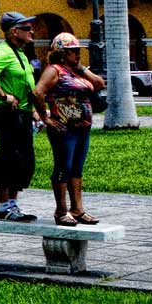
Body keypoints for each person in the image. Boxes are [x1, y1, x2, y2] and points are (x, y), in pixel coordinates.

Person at [35, 32, 106, 226]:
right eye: (73, 51)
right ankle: (61, 210)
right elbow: (37, 92)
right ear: (61, 53)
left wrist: (82, 68)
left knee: (77, 169)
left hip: (83, 128)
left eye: (77, 51)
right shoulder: (54, 70)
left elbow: (99, 84)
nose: (77, 54)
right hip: (63, 129)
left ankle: (78, 209)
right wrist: (45, 118)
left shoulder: (77, 70)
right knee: (63, 167)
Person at [0, 11, 40, 222]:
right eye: (26, 28)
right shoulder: (4, 51)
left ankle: (13, 205)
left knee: (23, 160)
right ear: (14, 32)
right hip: (9, 113)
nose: (31, 31)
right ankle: (3, 206)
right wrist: (3, 95)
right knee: (9, 157)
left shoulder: (19, 52)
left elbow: (25, 83)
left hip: (22, 113)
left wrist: (33, 110)